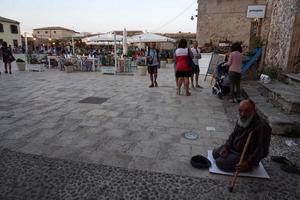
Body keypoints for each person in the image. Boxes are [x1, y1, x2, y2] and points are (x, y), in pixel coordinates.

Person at [212, 99, 272, 172]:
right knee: (215, 153)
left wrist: (248, 163)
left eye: (247, 111)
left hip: (245, 155)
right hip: (234, 149)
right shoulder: (242, 119)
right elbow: (233, 135)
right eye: (240, 111)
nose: (242, 114)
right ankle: (230, 155)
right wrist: (226, 147)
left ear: (253, 110)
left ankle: (248, 166)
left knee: (220, 162)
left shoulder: (262, 126)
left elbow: (262, 149)